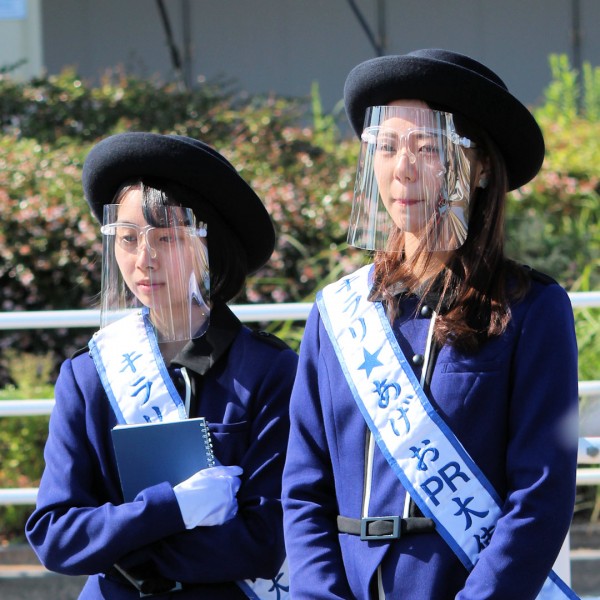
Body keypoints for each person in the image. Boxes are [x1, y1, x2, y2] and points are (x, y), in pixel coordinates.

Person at [282, 49, 580, 599]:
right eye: (388, 146)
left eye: (429, 148)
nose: (403, 168)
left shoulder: (530, 309)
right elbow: (304, 489)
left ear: (482, 165)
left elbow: (541, 495)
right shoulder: (338, 313)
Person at [26, 132, 298, 599]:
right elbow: (55, 535)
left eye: (167, 238)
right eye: (128, 239)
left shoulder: (268, 371)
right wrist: (171, 509)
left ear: (212, 244)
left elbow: (264, 542)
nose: (143, 260)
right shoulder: (90, 374)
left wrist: (118, 546)